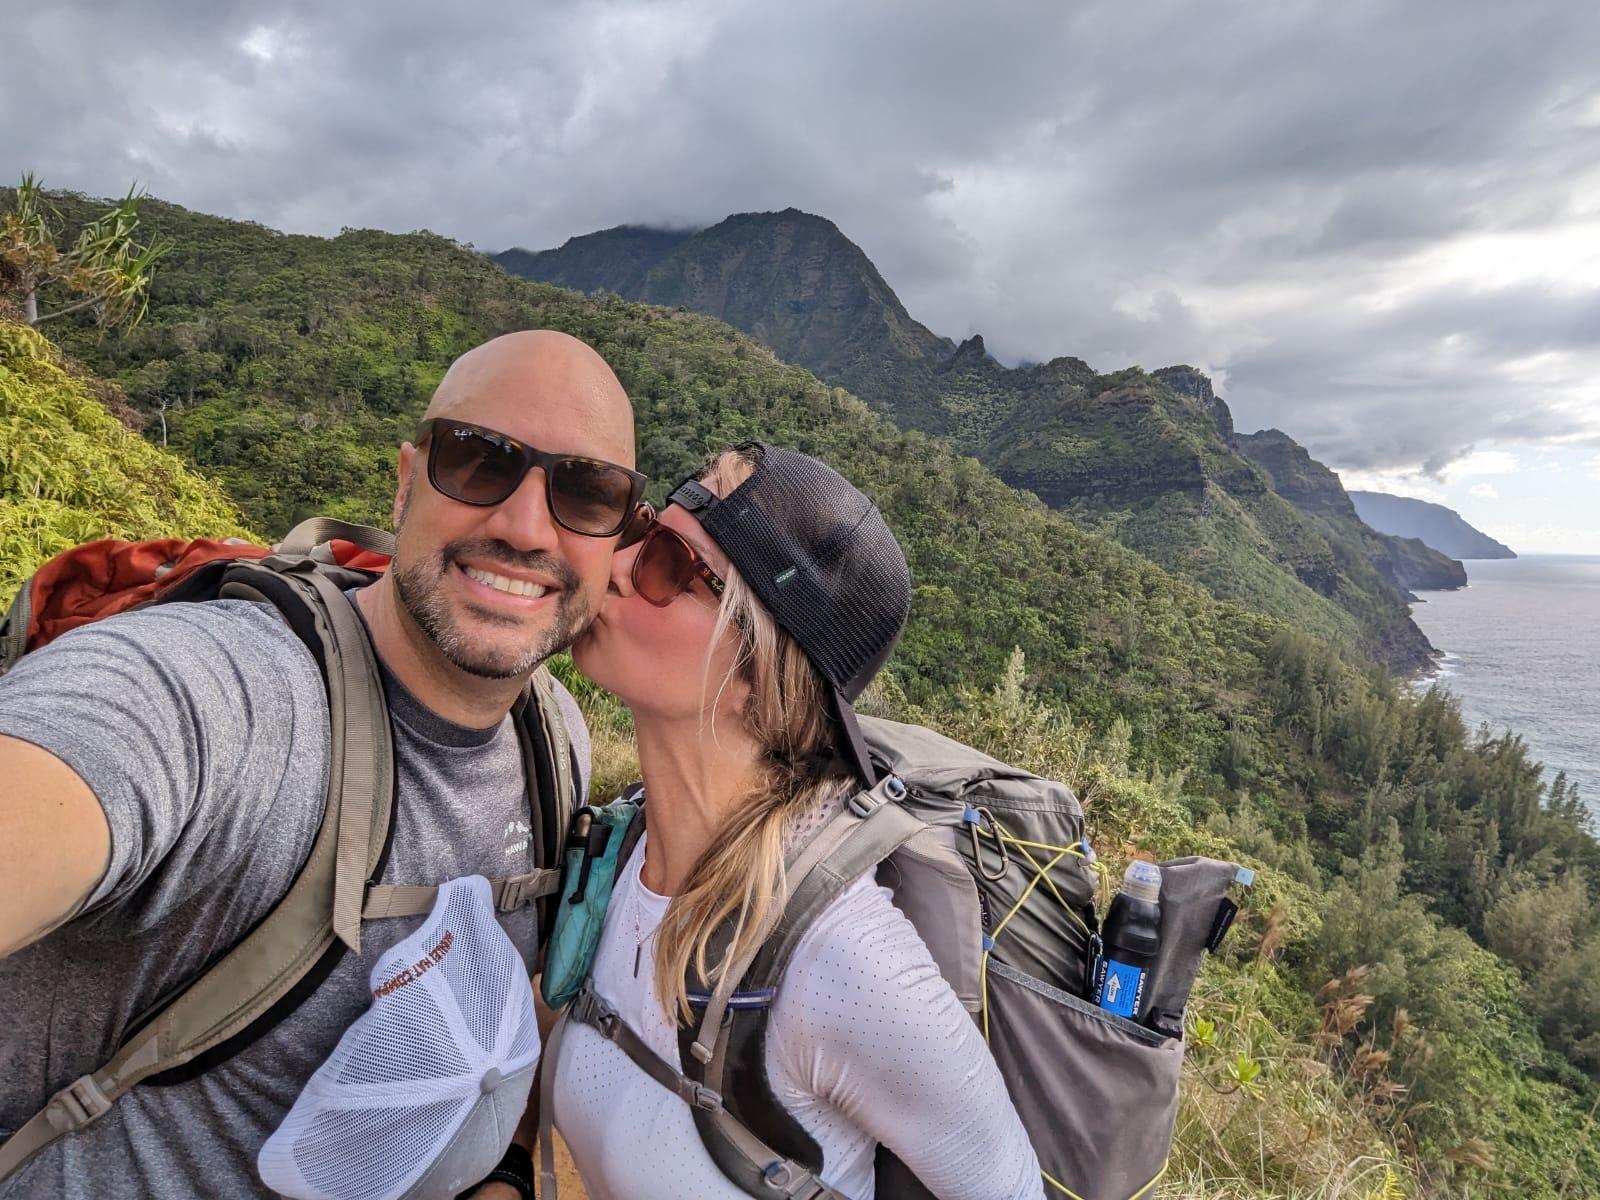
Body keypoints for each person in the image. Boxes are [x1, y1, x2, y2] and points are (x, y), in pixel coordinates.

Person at [0, 330, 640, 1199]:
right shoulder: (230, 693)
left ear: (618, 539)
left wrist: (505, 1180)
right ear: (407, 479)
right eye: (479, 462)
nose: (525, 528)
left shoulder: (554, 736)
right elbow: (82, 749)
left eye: (586, 491)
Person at [551, 444, 1044, 1199]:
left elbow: (1006, 1186)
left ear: (759, 677)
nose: (616, 566)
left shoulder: (840, 961)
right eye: (643, 531)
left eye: (666, 564)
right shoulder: (620, 851)